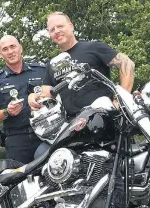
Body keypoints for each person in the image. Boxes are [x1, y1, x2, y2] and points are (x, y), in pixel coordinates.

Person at [28, 11, 135, 157]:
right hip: (74, 127)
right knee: (41, 155)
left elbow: (126, 63)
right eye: (52, 30)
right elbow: (46, 93)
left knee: (116, 168)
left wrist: (121, 98)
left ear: (71, 26)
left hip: (105, 119)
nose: (57, 31)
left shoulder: (93, 47)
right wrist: (33, 96)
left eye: (60, 26)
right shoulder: (52, 64)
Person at [0, 35, 46, 163]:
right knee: (21, 181)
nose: (10, 52)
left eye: (12, 46)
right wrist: (6, 112)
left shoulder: (41, 71)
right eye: (5, 49)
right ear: (1, 54)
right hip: (17, 141)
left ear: (20, 48)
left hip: (46, 133)